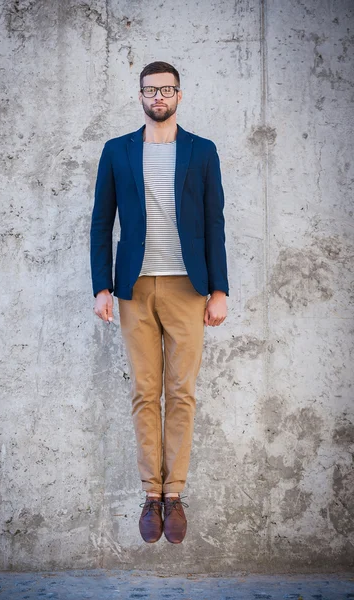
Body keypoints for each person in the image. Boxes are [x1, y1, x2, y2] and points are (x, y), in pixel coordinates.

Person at [90, 61, 229, 544]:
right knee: (146, 392)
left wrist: (220, 290)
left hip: (189, 288)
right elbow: (100, 222)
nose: (158, 97)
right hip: (134, 287)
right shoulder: (117, 151)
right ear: (141, 95)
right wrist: (101, 286)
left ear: (179, 95)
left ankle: (176, 493)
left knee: (182, 393)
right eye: (150, 90)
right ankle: (152, 494)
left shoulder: (202, 151)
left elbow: (215, 223)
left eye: (166, 89)